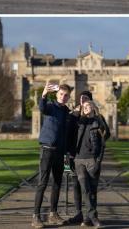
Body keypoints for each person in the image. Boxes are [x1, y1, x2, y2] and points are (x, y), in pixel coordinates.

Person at [66, 91, 110, 225]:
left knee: (89, 188)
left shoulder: (98, 119)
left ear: (91, 102)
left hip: (90, 158)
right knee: (77, 187)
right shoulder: (75, 117)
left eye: (85, 99)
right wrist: (67, 156)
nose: (82, 101)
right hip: (75, 158)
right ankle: (81, 214)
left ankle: (88, 216)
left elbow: (106, 135)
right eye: (81, 99)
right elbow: (68, 135)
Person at [31, 82, 71, 228]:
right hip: (48, 148)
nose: (63, 97)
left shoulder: (67, 111)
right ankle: (36, 216)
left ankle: (53, 214)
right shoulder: (50, 106)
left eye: (66, 95)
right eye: (61, 94)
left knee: (57, 183)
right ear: (57, 94)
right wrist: (43, 94)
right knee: (42, 183)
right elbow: (41, 108)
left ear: (68, 97)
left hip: (60, 151)